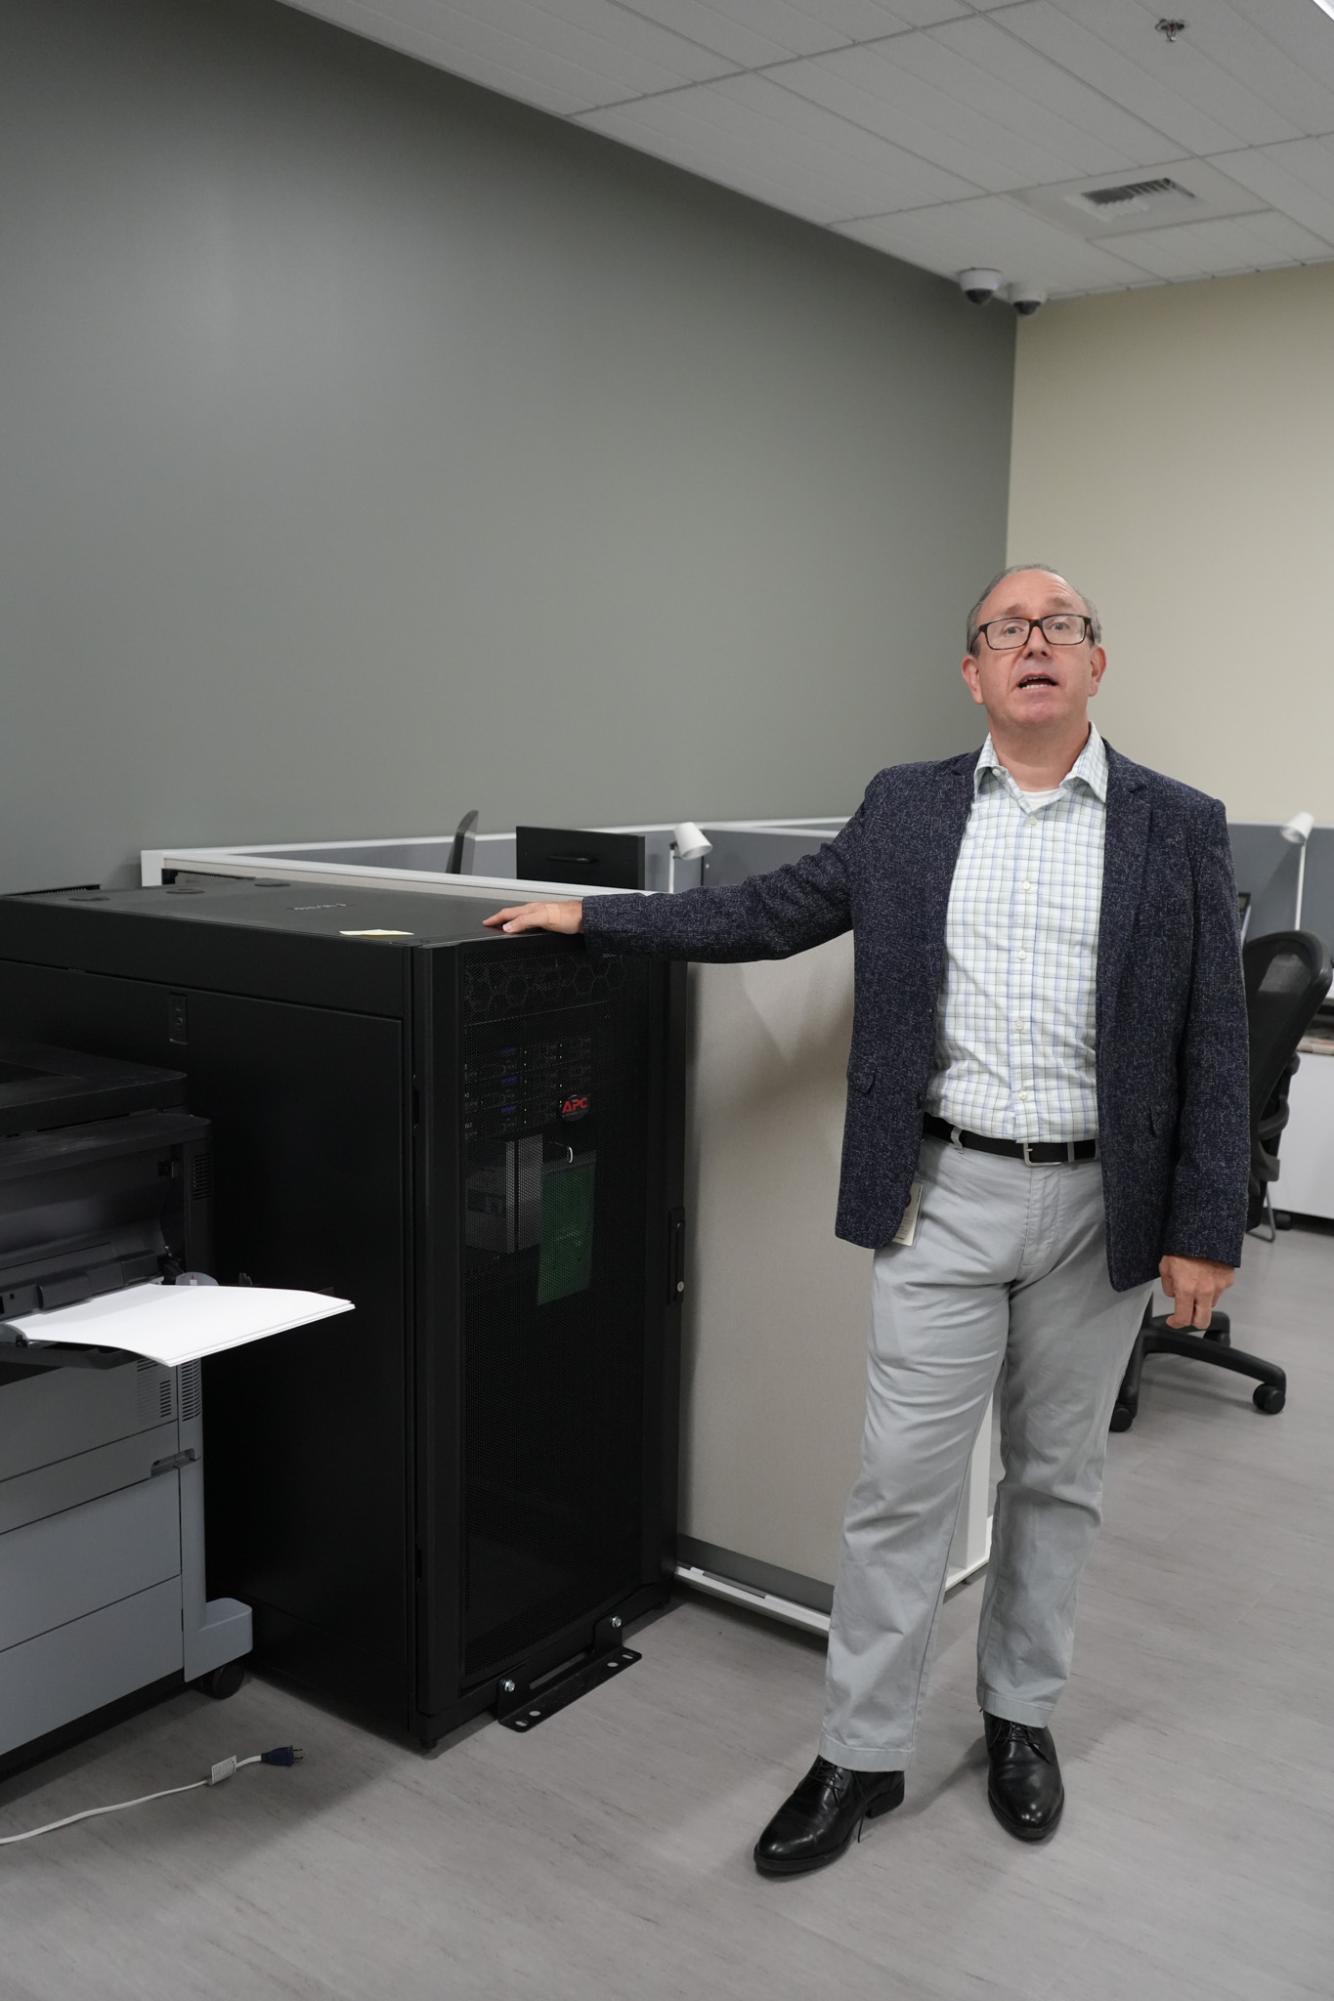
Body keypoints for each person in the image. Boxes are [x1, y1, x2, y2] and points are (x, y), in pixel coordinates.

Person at [483, 566, 1249, 1877]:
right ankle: (860, 1749)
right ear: (971, 673)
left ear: (1096, 664)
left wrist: (1205, 1223)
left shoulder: (1175, 824)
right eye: (1004, 629)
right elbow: (766, 912)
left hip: (1099, 1208)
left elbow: (1213, 1035)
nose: (1033, 645)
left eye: (1059, 626)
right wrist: (596, 918)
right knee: (898, 1488)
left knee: (1055, 1480)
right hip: (941, 1193)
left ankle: (1019, 1716)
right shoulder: (906, 807)